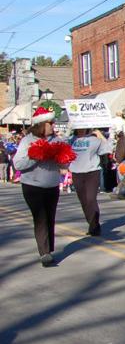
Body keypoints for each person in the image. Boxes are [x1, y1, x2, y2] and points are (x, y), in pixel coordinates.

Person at [13, 107, 71, 266]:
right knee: (40, 218)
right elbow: (18, 164)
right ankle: (44, 252)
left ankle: (48, 249)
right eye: (50, 123)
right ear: (41, 125)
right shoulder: (27, 140)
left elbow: (66, 163)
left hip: (52, 185)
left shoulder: (57, 141)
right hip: (32, 186)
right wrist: (36, 156)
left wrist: (61, 158)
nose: (53, 126)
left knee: (50, 217)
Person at [68, 127, 112, 237]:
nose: (81, 129)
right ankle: (91, 224)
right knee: (83, 201)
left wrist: (100, 136)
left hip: (92, 172)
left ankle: (95, 226)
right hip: (76, 172)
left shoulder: (94, 140)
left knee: (91, 199)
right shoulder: (71, 140)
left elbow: (108, 149)